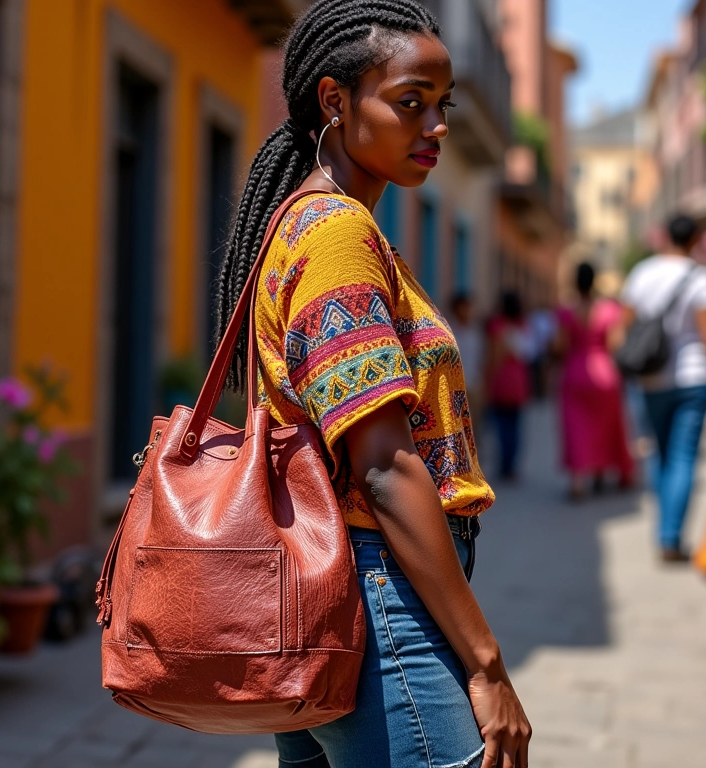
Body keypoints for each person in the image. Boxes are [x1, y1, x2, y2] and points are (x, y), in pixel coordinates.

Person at [213, 3, 531, 767]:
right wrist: (486, 665)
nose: (438, 126)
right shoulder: (338, 239)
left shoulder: (309, 226)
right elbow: (384, 469)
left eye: (444, 105)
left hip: (330, 590)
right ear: (335, 102)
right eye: (410, 101)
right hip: (377, 593)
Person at [621, 214, 706, 563]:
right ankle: (670, 537)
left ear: (665, 236)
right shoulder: (703, 277)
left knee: (660, 455)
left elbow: (625, 327)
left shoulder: (643, 273)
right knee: (683, 458)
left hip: (651, 378)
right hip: (693, 378)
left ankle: (664, 529)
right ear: (694, 239)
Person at [556, 263, 634, 499]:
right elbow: (615, 344)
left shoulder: (566, 312)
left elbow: (559, 346)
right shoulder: (609, 310)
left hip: (575, 373)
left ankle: (578, 482)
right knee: (604, 426)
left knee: (577, 427)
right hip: (605, 374)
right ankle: (600, 472)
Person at [485, 291, 532, 481]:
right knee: (516, 425)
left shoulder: (498, 326)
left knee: (502, 426)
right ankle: (512, 465)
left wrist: (487, 377)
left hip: (502, 380)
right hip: (519, 380)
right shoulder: (523, 326)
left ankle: (505, 465)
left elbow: (495, 356)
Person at [450, 293, 485, 419]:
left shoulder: (475, 331)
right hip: (455, 387)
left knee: (474, 425)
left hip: (473, 384)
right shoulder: (450, 331)